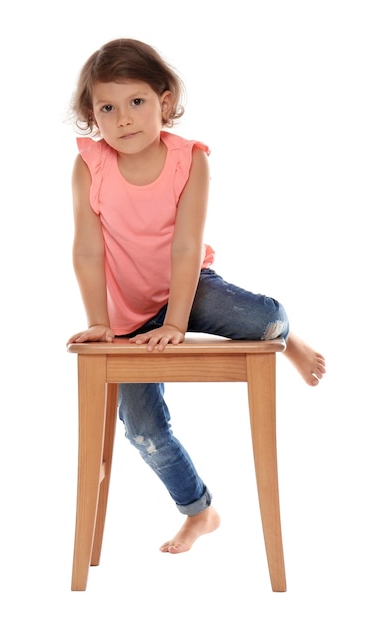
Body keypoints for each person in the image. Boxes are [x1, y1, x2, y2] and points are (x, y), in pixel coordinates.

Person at [67, 38, 326, 555]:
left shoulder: (190, 160)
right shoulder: (90, 166)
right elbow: (88, 252)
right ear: (94, 117)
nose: (124, 119)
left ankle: (289, 338)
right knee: (143, 431)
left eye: (137, 102)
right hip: (127, 314)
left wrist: (177, 323)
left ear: (164, 101)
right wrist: (100, 321)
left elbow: (186, 247)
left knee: (265, 317)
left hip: (188, 288)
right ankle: (200, 511)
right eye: (108, 108)